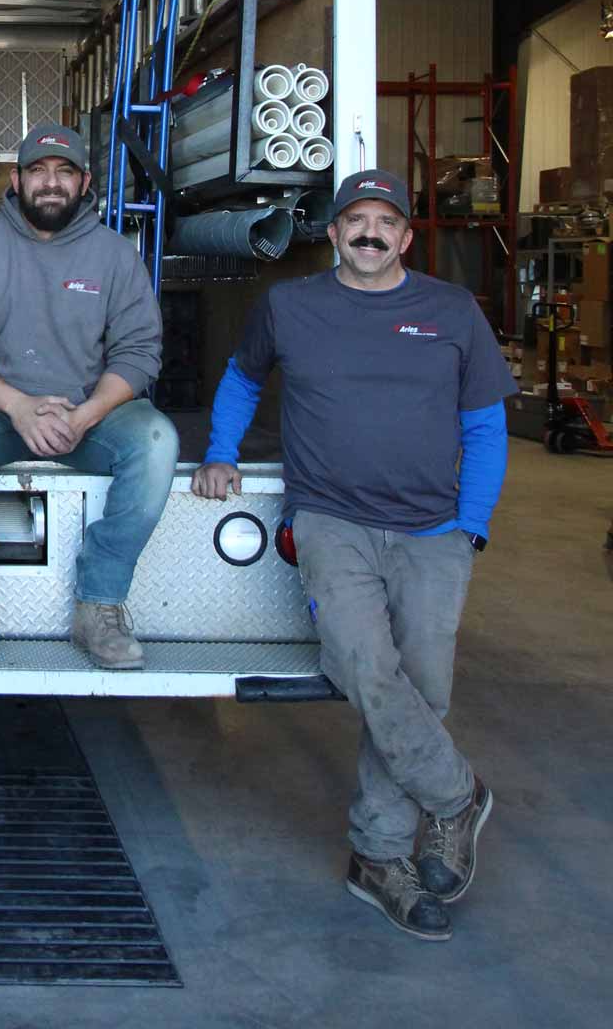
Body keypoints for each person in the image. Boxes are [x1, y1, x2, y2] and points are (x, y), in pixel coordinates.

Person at [192, 169, 515, 942]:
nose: (370, 232)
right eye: (355, 220)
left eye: (386, 222)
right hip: (332, 520)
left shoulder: (451, 311)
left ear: (406, 236)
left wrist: (471, 525)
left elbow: (486, 426)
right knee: (365, 668)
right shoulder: (291, 306)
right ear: (333, 233)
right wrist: (220, 451)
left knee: (419, 688)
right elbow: (241, 379)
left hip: (433, 530)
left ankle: (377, 858)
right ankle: (456, 795)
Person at [0, 122, 178, 669]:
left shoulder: (115, 255)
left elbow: (138, 354)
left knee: (156, 438)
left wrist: (85, 416)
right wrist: (17, 405)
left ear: (85, 183)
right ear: (16, 179)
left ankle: (100, 605)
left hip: (84, 415)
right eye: (38, 170)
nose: (51, 183)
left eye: (65, 172)